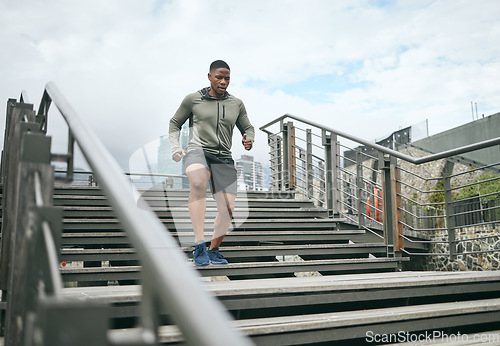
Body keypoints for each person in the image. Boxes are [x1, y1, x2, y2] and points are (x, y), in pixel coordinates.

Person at [169, 60, 255, 266]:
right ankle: (199, 244)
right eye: (219, 77)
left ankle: (213, 249)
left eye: (227, 78)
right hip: (197, 151)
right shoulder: (193, 99)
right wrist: (175, 147)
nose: (223, 82)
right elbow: (174, 123)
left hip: (223, 156)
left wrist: (248, 138)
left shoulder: (237, 103)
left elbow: (248, 127)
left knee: (228, 207)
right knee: (198, 183)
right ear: (209, 77)